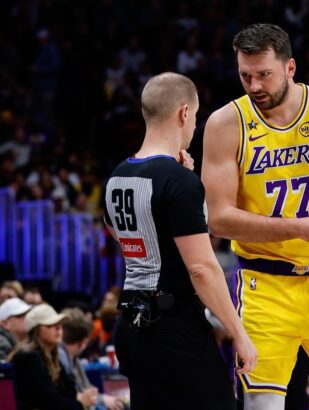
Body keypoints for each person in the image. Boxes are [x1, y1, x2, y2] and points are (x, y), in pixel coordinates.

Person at [201, 23, 309, 409]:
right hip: (265, 286)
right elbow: (219, 219)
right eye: (245, 75)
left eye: (264, 74)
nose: (254, 85)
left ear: (290, 67)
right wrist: (300, 229)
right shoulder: (224, 124)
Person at [103, 72, 257, 409]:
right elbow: (202, 269)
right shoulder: (177, 181)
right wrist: (238, 334)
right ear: (184, 113)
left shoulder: (117, 175)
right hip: (174, 330)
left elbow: (120, 233)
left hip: (131, 325)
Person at [9, 304, 92, 410]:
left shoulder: (52, 356)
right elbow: (49, 402)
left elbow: (70, 391)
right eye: (50, 325)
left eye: (59, 324)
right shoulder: (27, 357)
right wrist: (80, 404)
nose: (58, 328)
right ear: (36, 330)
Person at [58, 308, 125, 410]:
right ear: (83, 342)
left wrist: (101, 398)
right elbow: (78, 397)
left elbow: (88, 390)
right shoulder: (61, 358)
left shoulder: (72, 359)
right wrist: (102, 400)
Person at [0, 297, 32, 363]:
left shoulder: (22, 343)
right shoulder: (0, 346)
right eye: (21, 315)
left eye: (28, 314)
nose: (27, 318)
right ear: (5, 324)